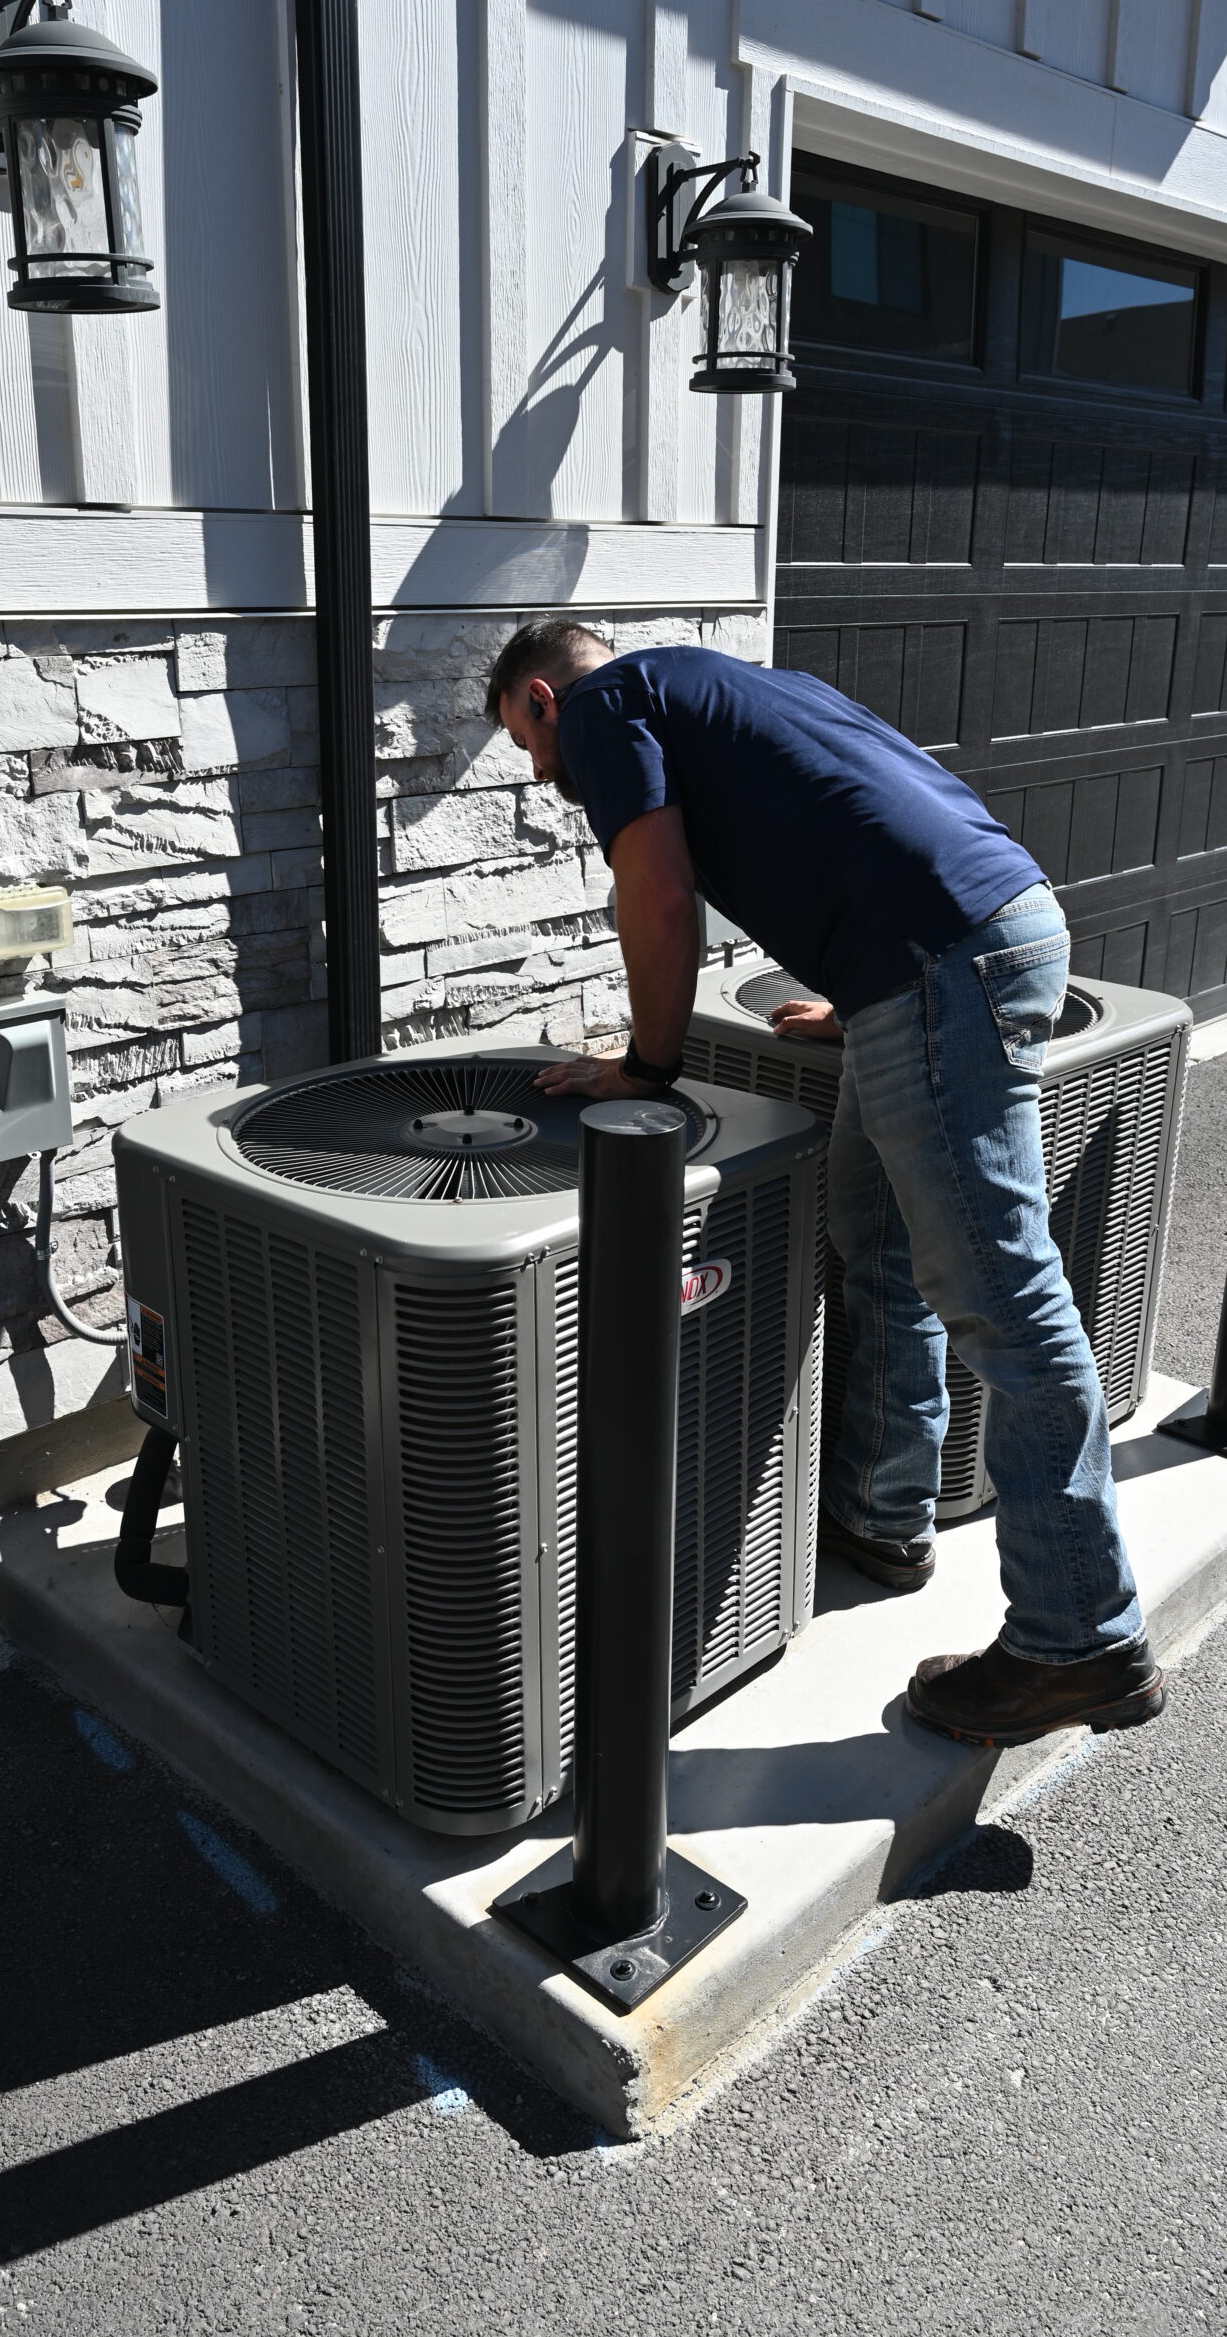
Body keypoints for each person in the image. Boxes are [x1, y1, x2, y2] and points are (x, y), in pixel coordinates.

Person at [484, 617, 1164, 1749]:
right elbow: (863, 809)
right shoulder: (729, 684)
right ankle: (883, 1511)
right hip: (942, 949)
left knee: (1002, 1299)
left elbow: (655, 900)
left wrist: (645, 1067)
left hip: (939, 965)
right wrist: (858, 998)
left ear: (544, 700)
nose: (541, 771)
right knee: (878, 1232)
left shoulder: (604, 709)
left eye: (524, 743)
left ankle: (1076, 1635)